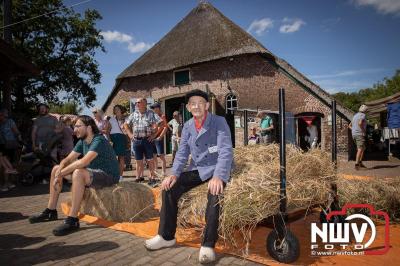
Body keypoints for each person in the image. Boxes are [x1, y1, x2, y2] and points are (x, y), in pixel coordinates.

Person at [145, 90, 233, 264]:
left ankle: (208, 245)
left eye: (201, 102)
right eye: (193, 103)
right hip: (199, 169)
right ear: (188, 107)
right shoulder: (187, 126)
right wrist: (174, 174)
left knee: (215, 193)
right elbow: (182, 153)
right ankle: (166, 236)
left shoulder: (219, 121)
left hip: (217, 167)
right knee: (169, 188)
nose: (197, 106)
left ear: (207, 105)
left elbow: (225, 151)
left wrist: (219, 176)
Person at [28, 115, 120, 236]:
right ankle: (50, 211)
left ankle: (72, 219)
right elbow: (67, 160)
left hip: (108, 176)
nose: (74, 129)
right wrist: (59, 171)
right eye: (74, 126)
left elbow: (83, 162)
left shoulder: (99, 140)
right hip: (92, 174)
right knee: (56, 168)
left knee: (78, 171)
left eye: (78, 126)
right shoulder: (82, 141)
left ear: (89, 127)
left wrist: (61, 174)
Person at [124, 98, 162, 186]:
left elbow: (161, 123)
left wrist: (154, 135)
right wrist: (130, 134)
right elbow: (125, 124)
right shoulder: (133, 114)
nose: (136, 104)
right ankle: (138, 177)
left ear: (144, 103)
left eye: (139, 102)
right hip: (136, 140)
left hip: (147, 140)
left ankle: (152, 177)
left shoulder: (151, 113)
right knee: (138, 160)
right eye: (136, 102)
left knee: (150, 160)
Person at [109, 105, 128, 180]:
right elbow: (108, 130)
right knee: (112, 157)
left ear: (121, 110)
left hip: (121, 138)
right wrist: (109, 139)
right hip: (113, 138)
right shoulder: (111, 119)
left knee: (121, 157)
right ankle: (113, 174)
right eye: (115, 109)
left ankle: (120, 176)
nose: (116, 110)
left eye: (117, 109)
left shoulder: (126, 119)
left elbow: (128, 129)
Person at [150, 102, 168, 177]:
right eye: (153, 108)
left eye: (154, 108)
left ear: (158, 108)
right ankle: (155, 171)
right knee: (154, 155)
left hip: (158, 138)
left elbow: (165, 127)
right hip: (153, 138)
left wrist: (160, 137)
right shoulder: (153, 117)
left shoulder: (162, 116)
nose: (154, 110)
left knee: (161, 156)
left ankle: (163, 172)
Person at [349, 104, 368, 170]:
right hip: (360, 134)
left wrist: (354, 130)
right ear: (365, 110)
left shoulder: (355, 115)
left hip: (354, 134)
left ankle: (360, 162)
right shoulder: (363, 115)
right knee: (360, 149)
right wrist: (363, 131)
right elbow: (360, 123)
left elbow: (349, 126)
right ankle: (356, 164)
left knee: (363, 148)